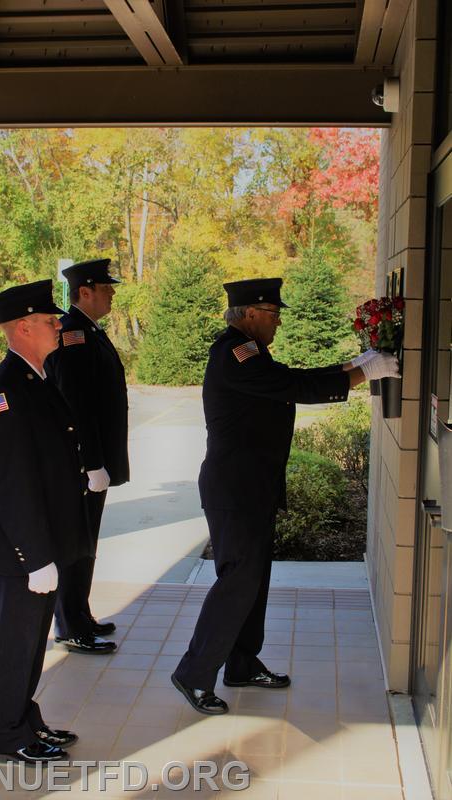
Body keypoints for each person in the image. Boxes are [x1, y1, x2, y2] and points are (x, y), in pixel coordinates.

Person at [171, 277, 400, 715]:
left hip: (251, 485)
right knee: (238, 581)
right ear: (250, 314)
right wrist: (360, 373)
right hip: (235, 488)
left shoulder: (251, 351)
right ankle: (193, 674)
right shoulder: (234, 353)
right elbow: (292, 388)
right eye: (273, 314)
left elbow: (288, 379)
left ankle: (241, 662)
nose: (277, 322)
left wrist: (352, 365)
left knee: (253, 580)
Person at [0, 279, 94, 764]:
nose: (58, 325)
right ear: (24, 327)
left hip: (40, 546)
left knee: (29, 642)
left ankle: (23, 715)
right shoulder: (2, 393)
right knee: (13, 643)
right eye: (48, 320)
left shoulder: (35, 380)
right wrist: (36, 557)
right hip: (19, 553)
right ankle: (7, 734)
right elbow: (10, 486)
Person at [46, 258, 129, 655]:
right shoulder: (73, 333)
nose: (112, 292)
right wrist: (90, 461)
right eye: (105, 287)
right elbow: (76, 403)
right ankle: (69, 624)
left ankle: (80, 613)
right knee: (76, 543)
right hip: (82, 462)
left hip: (95, 459)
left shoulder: (89, 331)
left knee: (87, 541)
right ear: (84, 292)